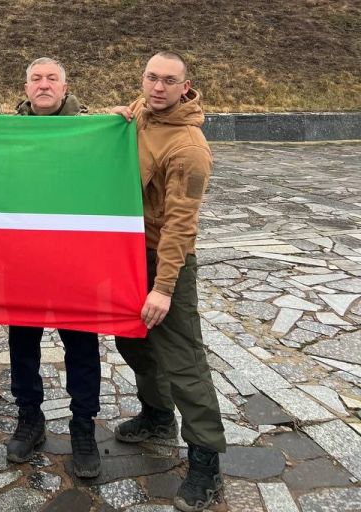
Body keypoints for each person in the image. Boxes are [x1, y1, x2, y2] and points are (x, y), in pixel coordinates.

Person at [111, 51, 227, 512]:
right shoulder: (141, 111)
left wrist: (162, 288)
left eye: (168, 81)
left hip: (166, 258)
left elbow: (182, 225)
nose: (158, 88)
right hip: (126, 252)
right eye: (151, 78)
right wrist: (113, 117)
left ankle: (205, 461)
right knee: (134, 342)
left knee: (183, 360)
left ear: (186, 86)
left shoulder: (189, 147)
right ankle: (158, 416)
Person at [6, 57, 102, 478]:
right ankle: (30, 418)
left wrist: (120, 124)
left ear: (65, 87)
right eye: (36, 79)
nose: (44, 85)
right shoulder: (3, 131)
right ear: (25, 88)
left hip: (73, 260)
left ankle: (83, 427)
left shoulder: (92, 130)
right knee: (22, 344)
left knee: (81, 345)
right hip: (22, 259)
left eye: (52, 79)